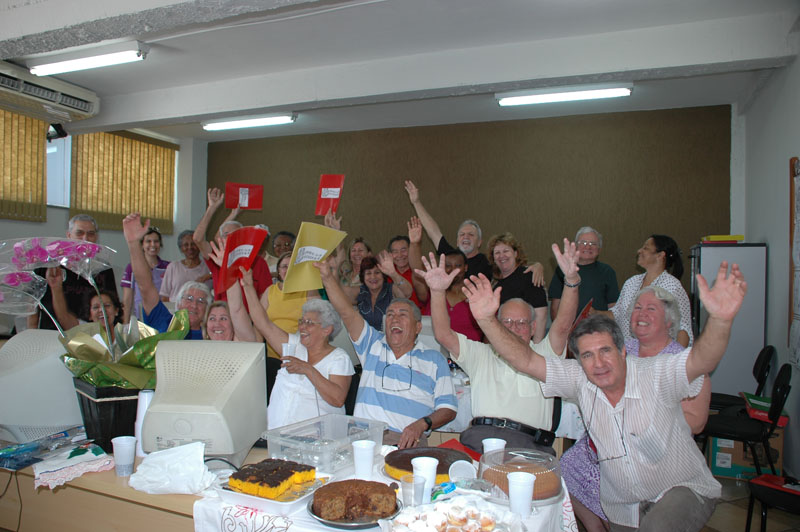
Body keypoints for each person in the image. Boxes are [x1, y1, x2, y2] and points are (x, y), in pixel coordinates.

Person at [462, 257, 747, 531]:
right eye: (586, 355)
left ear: (624, 351)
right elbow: (524, 359)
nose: (598, 363)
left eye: (606, 351)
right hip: (624, 505)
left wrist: (720, 320)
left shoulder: (656, 372)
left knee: (658, 527)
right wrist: (488, 320)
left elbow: (702, 361)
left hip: (681, 487)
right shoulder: (580, 380)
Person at [561, 286, 712, 532]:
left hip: (654, 453)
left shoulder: (681, 361)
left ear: (669, 320)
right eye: (637, 308)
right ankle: (594, 526)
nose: (642, 314)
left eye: (651, 309)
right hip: (607, 445)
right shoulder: (623, 349)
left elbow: (696, 422)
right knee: (567, 465)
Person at [416, 241, 579, 454]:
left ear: (533, 327)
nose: (513, 328)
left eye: (521, 323)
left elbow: (563, 325)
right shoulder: (481, 354)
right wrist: (437, 292)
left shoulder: (544, 354)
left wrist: (572, 281)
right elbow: (444, 335)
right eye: (507, 323)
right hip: (479, 440)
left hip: (527, 446)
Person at [315, 257, 457, 449]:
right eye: (389, 315)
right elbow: (346, 312)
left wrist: (422, 424)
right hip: (365, 439)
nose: (394, 319)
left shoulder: (435, 359)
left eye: (402, 315)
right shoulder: (372, 344)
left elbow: (448, 409)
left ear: (417, 327)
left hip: (408, 441)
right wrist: (327, 278)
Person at [241, 267, 354, 429]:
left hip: (316, 441)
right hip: (276, 437)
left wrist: (308, 369)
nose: (302, 327)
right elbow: (262, 322)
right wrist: (248, 286)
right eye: (302, 321)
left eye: (309, 323)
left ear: (326, 330)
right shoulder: (292, 346)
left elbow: (337, 399)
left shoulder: (339, 357)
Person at [404, 180, 545, 284]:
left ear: (479, 242)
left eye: (471, 235)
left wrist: (537, 266)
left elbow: (511, 267)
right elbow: (433, 230)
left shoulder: (488, 262)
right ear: (457, 240)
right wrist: (416, 202)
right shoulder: (449, 255)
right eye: (462, 235)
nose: (466, 237)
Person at [122, 213, 212, 339]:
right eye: (189, 298)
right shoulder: (165, 321)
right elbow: (145, 286)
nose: (194, 305)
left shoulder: (214, 333)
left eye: (201, 301)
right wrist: (133, 243)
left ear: (208, 309)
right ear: (178, 304)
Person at [28, 214, 118, 330]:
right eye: (79, 233)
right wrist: (31, 333)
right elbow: (32, 305)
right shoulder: (48, 266)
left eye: (90, 234)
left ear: (96, 237)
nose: (85, 239)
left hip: (89, 335)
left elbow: (112, 305)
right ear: (68, 235)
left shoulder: (103, 269)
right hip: (51, 332)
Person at [193, 187, 272, 303]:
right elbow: (197, 238)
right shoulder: (217, 259)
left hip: (248, 318)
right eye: (226, 235)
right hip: (222, 315)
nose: (230, 238)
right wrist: (212, 208)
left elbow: (265, 295)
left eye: (236, 234)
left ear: (243, 238)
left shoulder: (258, 262)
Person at [612, 234, 692, 346]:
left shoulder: (673, 287)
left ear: (660, 255)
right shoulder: (631, 282)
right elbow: (616, 313)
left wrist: (675, 360)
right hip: (629, 354)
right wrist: (594, 313)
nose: (639, 251)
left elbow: (683, 330)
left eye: (645, 248)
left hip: (660, 356)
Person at [261, 251, 321, 400]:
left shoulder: (308, 291)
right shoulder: (270, 291)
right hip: (271, 357)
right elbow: (258, 321)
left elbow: (319, 318)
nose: (287, 270)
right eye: (284, 266)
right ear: (278, 270)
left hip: (298, 356)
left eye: (292, 266)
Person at [487, 232, 547, 342]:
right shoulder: (496, 285)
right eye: (497, 253)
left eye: (506, 251)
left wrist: (536, 347)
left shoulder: (529, 276)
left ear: (515, 253)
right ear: (493, 258)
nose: (502, 256)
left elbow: (541, 315)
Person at [549, 226, 618, 320]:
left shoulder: (607, 272)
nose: (588, 246)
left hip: (599, 329)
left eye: (593, 244)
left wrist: (597, 313)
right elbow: (555, 308)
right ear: (576, 246)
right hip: (568, 330)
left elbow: (614, 311)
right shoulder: (564, 269)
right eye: (583, 243)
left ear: (599, 249)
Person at [121, 227, 169, 323]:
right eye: (148, 241)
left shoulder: (168, 267)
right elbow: (127, 299)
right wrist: (125, 324)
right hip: (141, 319)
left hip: (164, 318)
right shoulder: (132, 268)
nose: (153, 245)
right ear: (142, 245)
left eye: (156, 241)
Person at [356, 253, 413, 330]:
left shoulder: (391, 289)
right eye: (368, 273)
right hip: (366, 340)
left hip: (391, 339)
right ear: (363, 277)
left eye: (377, 272)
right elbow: (337, 295)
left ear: (383, 274)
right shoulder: (361, 291)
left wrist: (393, 274)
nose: (373, 277)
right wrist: (336, 270)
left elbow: (408, 292)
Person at [159, 230, 212, 302]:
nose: (190, 247)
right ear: (181, 248)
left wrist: (209, 276)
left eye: (193, 244)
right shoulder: (173, 267)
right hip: (176, 311)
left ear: (199, 246)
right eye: (186, 245)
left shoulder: (208, 267)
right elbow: (164, 296)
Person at [387, 234, 424, 308]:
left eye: (403, 250)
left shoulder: (419, 271)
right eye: (395, 252)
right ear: (390, 255)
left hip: (419, 316)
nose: (400, 255)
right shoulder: (385, 273)